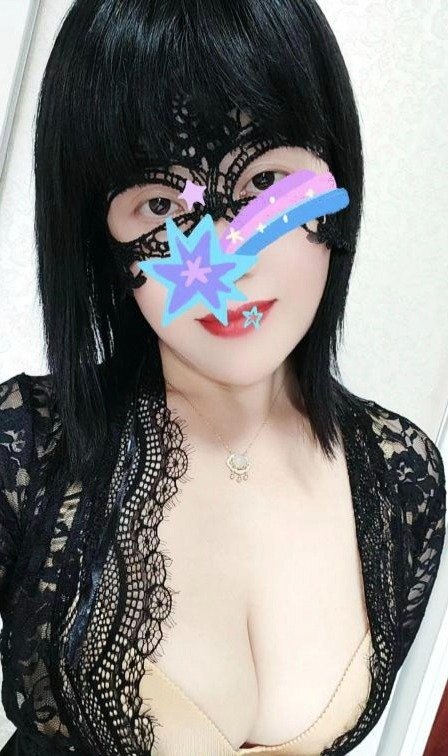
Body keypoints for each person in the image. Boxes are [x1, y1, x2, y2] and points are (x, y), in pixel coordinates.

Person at [0, 0, 445, 754]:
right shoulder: (27, 453)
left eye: (267, 179)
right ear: (99, 235)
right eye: (161, 203)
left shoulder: (404, 480)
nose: (226, 261)